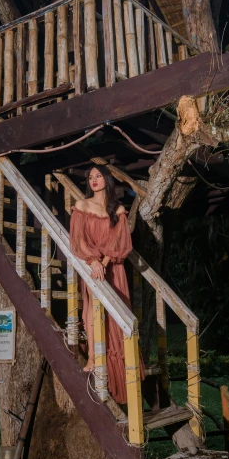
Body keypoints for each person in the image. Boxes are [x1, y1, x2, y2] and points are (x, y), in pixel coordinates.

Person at [69, 164, 144, 404]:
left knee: (116, 316)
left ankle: (120, 368)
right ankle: (92, 357)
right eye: (90, 177)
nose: (93, 180)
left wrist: (105, 261)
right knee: (91, 307)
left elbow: (120, 242)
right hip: (92, 268)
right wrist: (93, 261)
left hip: (114, 268)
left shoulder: (117, 209)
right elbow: (78, 239)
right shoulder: (82, 206)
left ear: (107, 179)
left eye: (98, 175)